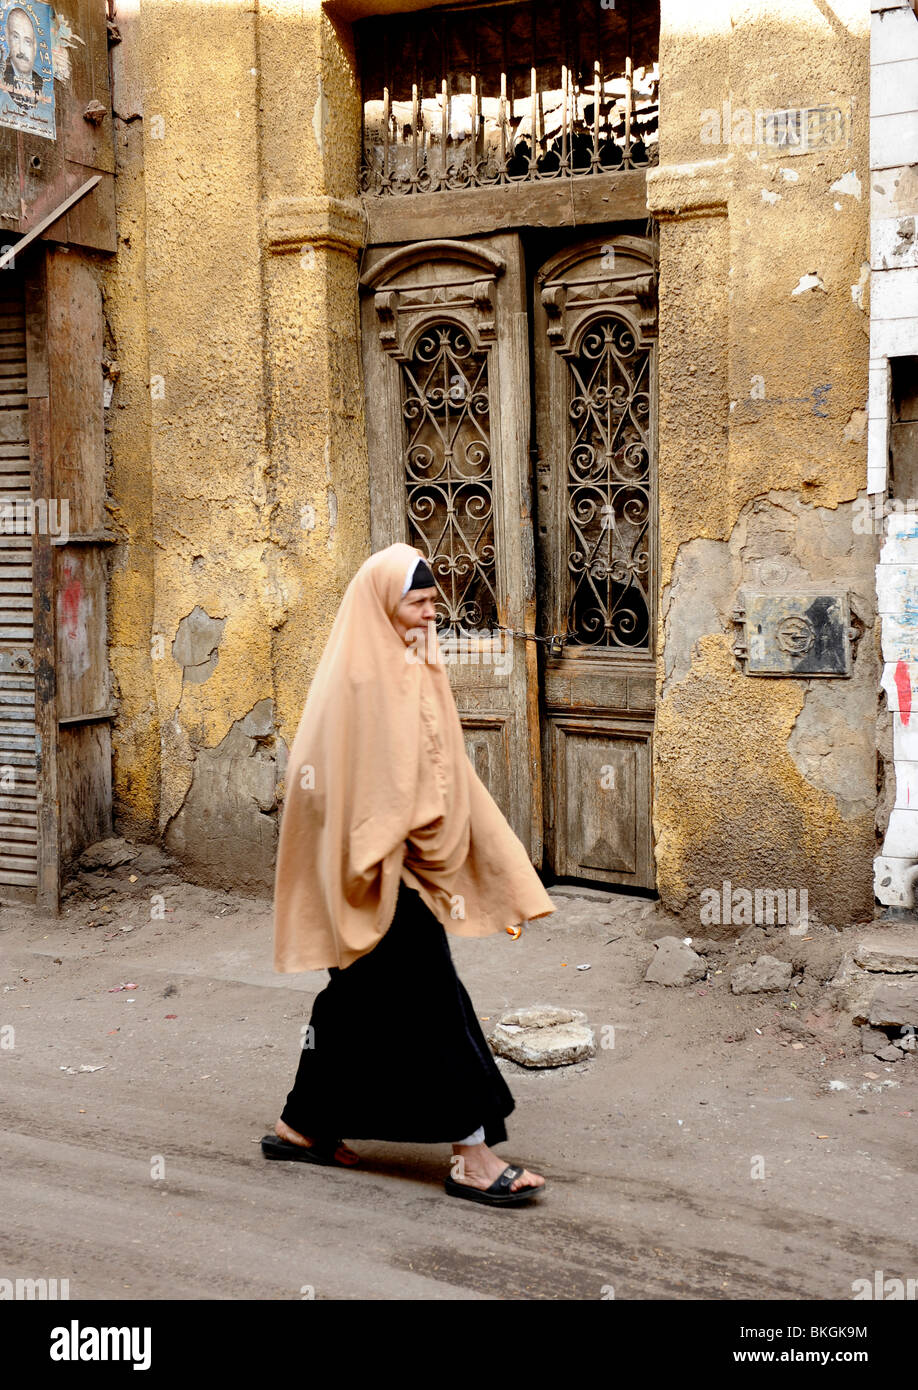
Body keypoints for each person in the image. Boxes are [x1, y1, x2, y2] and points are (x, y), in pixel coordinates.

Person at [262, 541, 557, 1206]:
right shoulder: (360, 678)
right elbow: (328, 784)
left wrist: (481, 853)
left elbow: (439, 765)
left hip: (400, 861)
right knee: (431, 997)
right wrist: (375, 847)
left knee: (356, 998)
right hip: (367, 867)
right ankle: (474, 1158)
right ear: (382, 604)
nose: (430, 615)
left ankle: (302, 1124)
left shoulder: (412, 662)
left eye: (432, 602)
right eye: (417, 603)